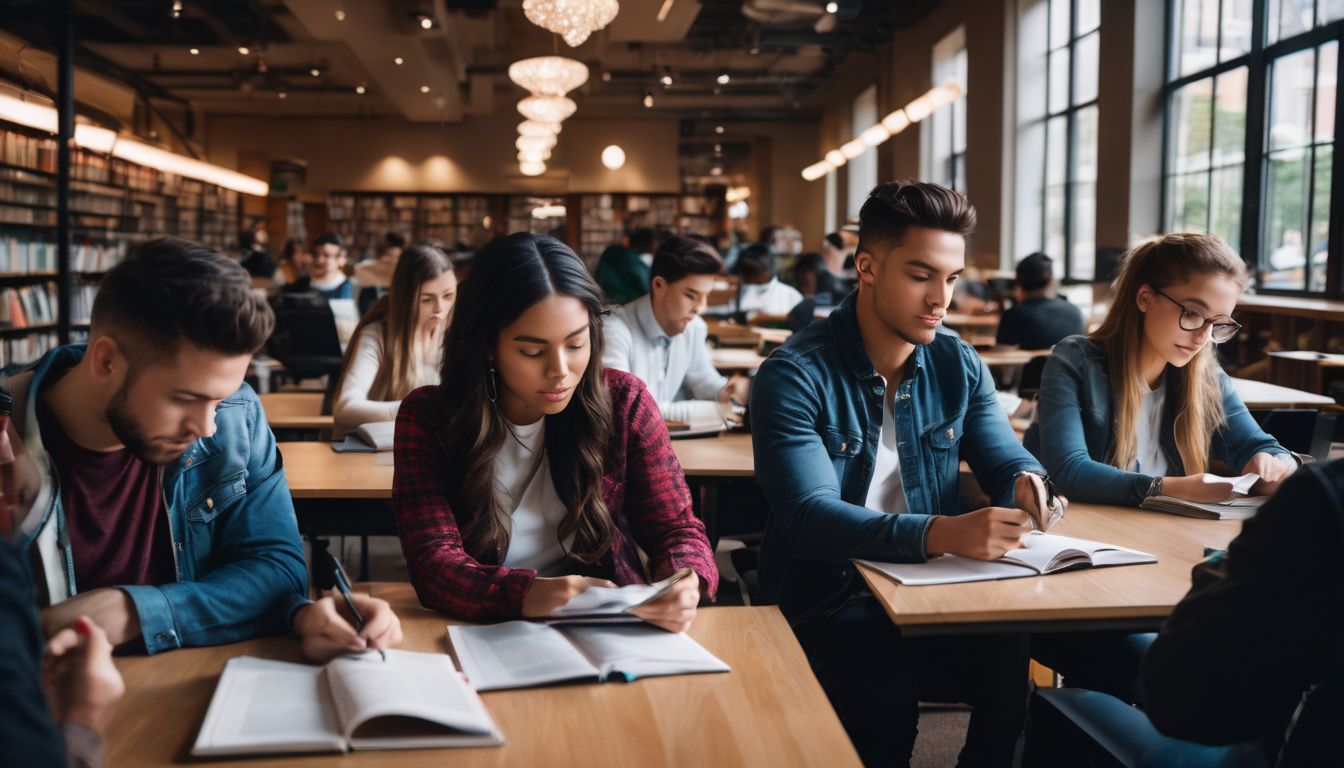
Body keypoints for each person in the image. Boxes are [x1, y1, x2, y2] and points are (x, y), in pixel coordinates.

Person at [752, 181, 1059, 765]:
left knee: (1012, 657)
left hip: (938, 588)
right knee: (884, 702)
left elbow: (1003, 454)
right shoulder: (793, 374)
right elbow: (811, 521)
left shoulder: (958, 361)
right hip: (833, 596)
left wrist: (1027, 482)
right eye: (921, 275)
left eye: (951, 278)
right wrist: (941, 532)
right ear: (866, 267)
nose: (941, 298)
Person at [6, 237, 400, 660]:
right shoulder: (6, 438)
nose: (208, 425)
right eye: (185, 398)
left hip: (183, 693)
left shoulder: (236, 413)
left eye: (219, 398)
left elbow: (279, 569)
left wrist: (133, 610)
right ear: (106, 362)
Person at [1024, 232, 1298, 702]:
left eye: (1219, 324)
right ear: (1145, 297)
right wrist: (1171, 487)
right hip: (1074, 576)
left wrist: (1274, 463)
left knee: (1254, 648)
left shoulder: (1204, 373)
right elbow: (1069, 470)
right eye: (1192, 313)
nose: (1202, 337)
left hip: (1159, 565)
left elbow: (1266, 445)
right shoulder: (1076, 360)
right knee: (1168, 666)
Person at [392, 233, 716, 630]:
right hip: (479, 627)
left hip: (607, 625)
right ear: (487, 345)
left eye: (576, 344)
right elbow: (434, 563)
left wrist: (686, 578)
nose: (559, 369)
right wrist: (528, 594)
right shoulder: (429, 417)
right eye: (532, 351)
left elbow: (676, 527)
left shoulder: (623, 401)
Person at [602, 235, 750, 424]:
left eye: (705, 296)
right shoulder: (614, 329)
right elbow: (627, 409)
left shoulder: (694, 326)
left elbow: (702, 379)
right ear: (659, 285)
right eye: (691, 295)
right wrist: (719, 411)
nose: (700, 308)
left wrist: (727, 392)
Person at [333, 244, 455, 436]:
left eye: (448, 296)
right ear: (406, 299)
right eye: (426, 299)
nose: (440, 308)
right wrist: (417, 409)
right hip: (384, 452)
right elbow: (345, 409)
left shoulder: (454, 334)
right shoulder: (377, 335)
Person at [995, 252, 1085, 350]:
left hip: (1033, 366)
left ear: (1018, 285)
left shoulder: (1014, 315)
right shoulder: (1075, 311)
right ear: (1051, 281)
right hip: (1070, 366)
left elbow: (1002, 359)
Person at [733, 244, 804, 318]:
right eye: (745, 272)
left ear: (769, 269)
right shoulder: (735, 292)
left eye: (753, 272)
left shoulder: (791, 296)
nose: (749, 277)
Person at [288, 232, 353, 301]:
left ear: (341, 260)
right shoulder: (299, 285)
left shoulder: (350, 288)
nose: (319, 260)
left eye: (326, 255)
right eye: (315, 255)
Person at [355, 232, 407, 315]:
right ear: (379, 255)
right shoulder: (366, 269)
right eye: (389, 256)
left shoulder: (405, 274)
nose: (393, 261)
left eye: (398, 257)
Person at [593, 240, 651, 305]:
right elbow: (644, 284)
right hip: (627, 303)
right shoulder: (631, 257)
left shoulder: (609, 252)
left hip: (604, 300)